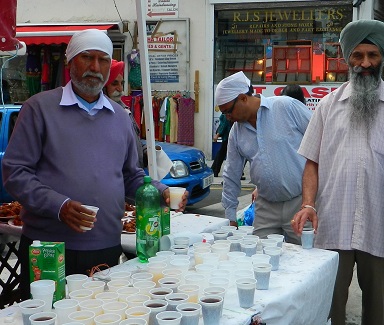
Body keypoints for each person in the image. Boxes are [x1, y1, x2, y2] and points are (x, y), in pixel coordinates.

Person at [2, 29, 187, 299]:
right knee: (48, 315)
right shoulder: (39, 109)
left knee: (98, 314)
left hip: (105, 247)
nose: (95, 67)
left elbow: (130, 177)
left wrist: (160, 192)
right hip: (50, 247)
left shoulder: (120, 118)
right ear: (70, 62)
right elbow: (15, 173)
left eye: (103, 60)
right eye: (86, 57)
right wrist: (59, 206)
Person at [292, 20, 384, 325]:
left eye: (372, 55)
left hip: (382, 225)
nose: (365, 63)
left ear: (383, 58)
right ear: (347, 59)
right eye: (357, 55)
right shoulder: (327, 105)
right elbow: (312, 161)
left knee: (377, 310)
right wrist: (308, 203)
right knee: (329, 307)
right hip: (332, 223)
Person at [216, 71, 312, 243]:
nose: (227, 117)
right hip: (265, 207)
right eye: (224, 114)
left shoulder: (286, 107)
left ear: (243, 98)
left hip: (299, 203)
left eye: (228, 111)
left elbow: (319, 139)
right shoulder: (236, 133)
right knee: (262, 259)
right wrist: (230, 216)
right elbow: (231, 174)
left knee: (304, 259)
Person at [102, 59, 145, 168]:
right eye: (114, 83)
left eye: (122, 83)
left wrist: (146, 151)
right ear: (103, 87)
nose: (120, 89)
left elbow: (133, 142)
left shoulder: (124, 109)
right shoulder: (99, 115)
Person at [211, 113, 232, 177]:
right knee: (221, 153)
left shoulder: (226, 113)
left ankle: (214, 170)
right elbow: (223, 125)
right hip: (228, 136)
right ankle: (215, 170)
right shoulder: (226, 114)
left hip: (228, 136)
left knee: (221, 153)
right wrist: (217, 135)